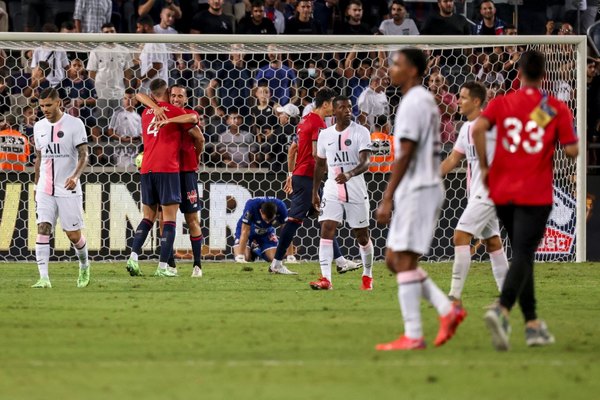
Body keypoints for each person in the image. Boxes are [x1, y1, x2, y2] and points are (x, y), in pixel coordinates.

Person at [472, 50, 579, 351]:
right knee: (523, 253)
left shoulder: (502, 103)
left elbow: (478, 128)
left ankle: (532, 324)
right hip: (534, 191)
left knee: (522, 254)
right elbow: (571, 151)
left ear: (518, 74)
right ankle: (501, 308)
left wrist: (483, 166)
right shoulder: (553, 106)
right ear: (545, 75)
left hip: (502, 190)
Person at [375, 48, 464, 351]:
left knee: (404, 260)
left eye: (396, 64)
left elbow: (406, 151)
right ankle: (446, 309)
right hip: (415, 188)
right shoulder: (417, 100)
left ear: (412, 69)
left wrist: (387, 196)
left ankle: (413, 335)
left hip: (419, 187)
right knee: (392, 260)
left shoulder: (414, 102)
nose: (391, 69)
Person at [268, 88, 359, 275]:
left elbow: (293, 149)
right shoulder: (318, 123)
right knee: (293, 220)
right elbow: (316, 154)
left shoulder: (304, 120)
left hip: (302, 175)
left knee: (325, 218)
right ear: (325, 104)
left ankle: (340, 261)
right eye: (332, 104)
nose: (334, 108)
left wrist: (291, 174)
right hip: (308, 177)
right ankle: (276, 263)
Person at [439, 81, 509, 307]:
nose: (458, 101)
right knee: (493, 243)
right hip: (477, 192)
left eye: (463, 97)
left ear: (477, 101)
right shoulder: (466, 128)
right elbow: (452, 159)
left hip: (490, 191)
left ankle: (454, 296)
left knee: (460, 236)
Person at [125, 79, 200, 278]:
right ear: (167, 94)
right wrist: (170, 118)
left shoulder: (144, 112)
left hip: (146, 168)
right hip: (167, 169)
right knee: (169, 220)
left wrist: (154, 106)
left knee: (148, 218)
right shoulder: (171, 110)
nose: (175, 98)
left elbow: (138, 95)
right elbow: (194, 118)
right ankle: (163, 266)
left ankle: (133, 256)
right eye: (172, 95)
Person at [309, 96, 374, 291]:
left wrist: (350, 173)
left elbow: (366, 162)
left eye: (349, 107)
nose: (347, 110)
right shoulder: (325, 135)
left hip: (355, 188)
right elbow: (320, 165)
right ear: (334, 112)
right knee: (326, 228)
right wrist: (315, 192)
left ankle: (367, 276)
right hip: (331, 188)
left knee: (362, 236)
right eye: (343, 108)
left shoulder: (361, 132)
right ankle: (326, 279)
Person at [31, 87, 91, 288]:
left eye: (48, 105)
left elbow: (84, 155)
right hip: (45, 187)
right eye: (41, 106)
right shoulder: (38, 127)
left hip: (68, 187)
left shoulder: (75, 124)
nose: (45, 109)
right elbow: (39, 158)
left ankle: (84, 265)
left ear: (58, 103)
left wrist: (75, 176)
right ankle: (44, 278)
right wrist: (36, 183)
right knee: (43, 228)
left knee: (73, 235)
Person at [233, 197, 288, 263]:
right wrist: (240, 256)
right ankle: (249, 250)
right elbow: (245, 231)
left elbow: (287, 231)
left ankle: (257, 249)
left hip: (266, 232)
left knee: (275, 259)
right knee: (245, 257)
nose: (267, 222)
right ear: (260, 211)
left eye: (270, 220)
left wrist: (290, 256)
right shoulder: (251, 206)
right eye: (266, 220)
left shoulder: (281, 206)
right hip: (248, 230)